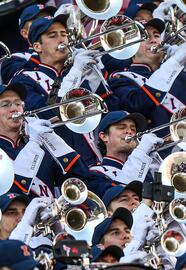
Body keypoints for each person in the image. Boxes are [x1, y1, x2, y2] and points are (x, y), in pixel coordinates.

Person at [9, 15, 120, 167]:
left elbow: (112, 111)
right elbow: (45, 114)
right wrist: (76, 71)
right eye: (52, 36)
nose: (62, 40)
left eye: (64, 34)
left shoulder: (77, 74)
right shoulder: (24, 80)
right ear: (37, 47)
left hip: (94, 161)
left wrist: (95, 74)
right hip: (61, 165)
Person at [90, 111, 163, 184]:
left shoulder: (144, 171)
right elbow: (125, 190)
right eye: (121, 127)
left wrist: (154, 161)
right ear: (104, 136)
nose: (129, 131)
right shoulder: (96, 173)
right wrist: (142, 152)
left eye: (133, 129)